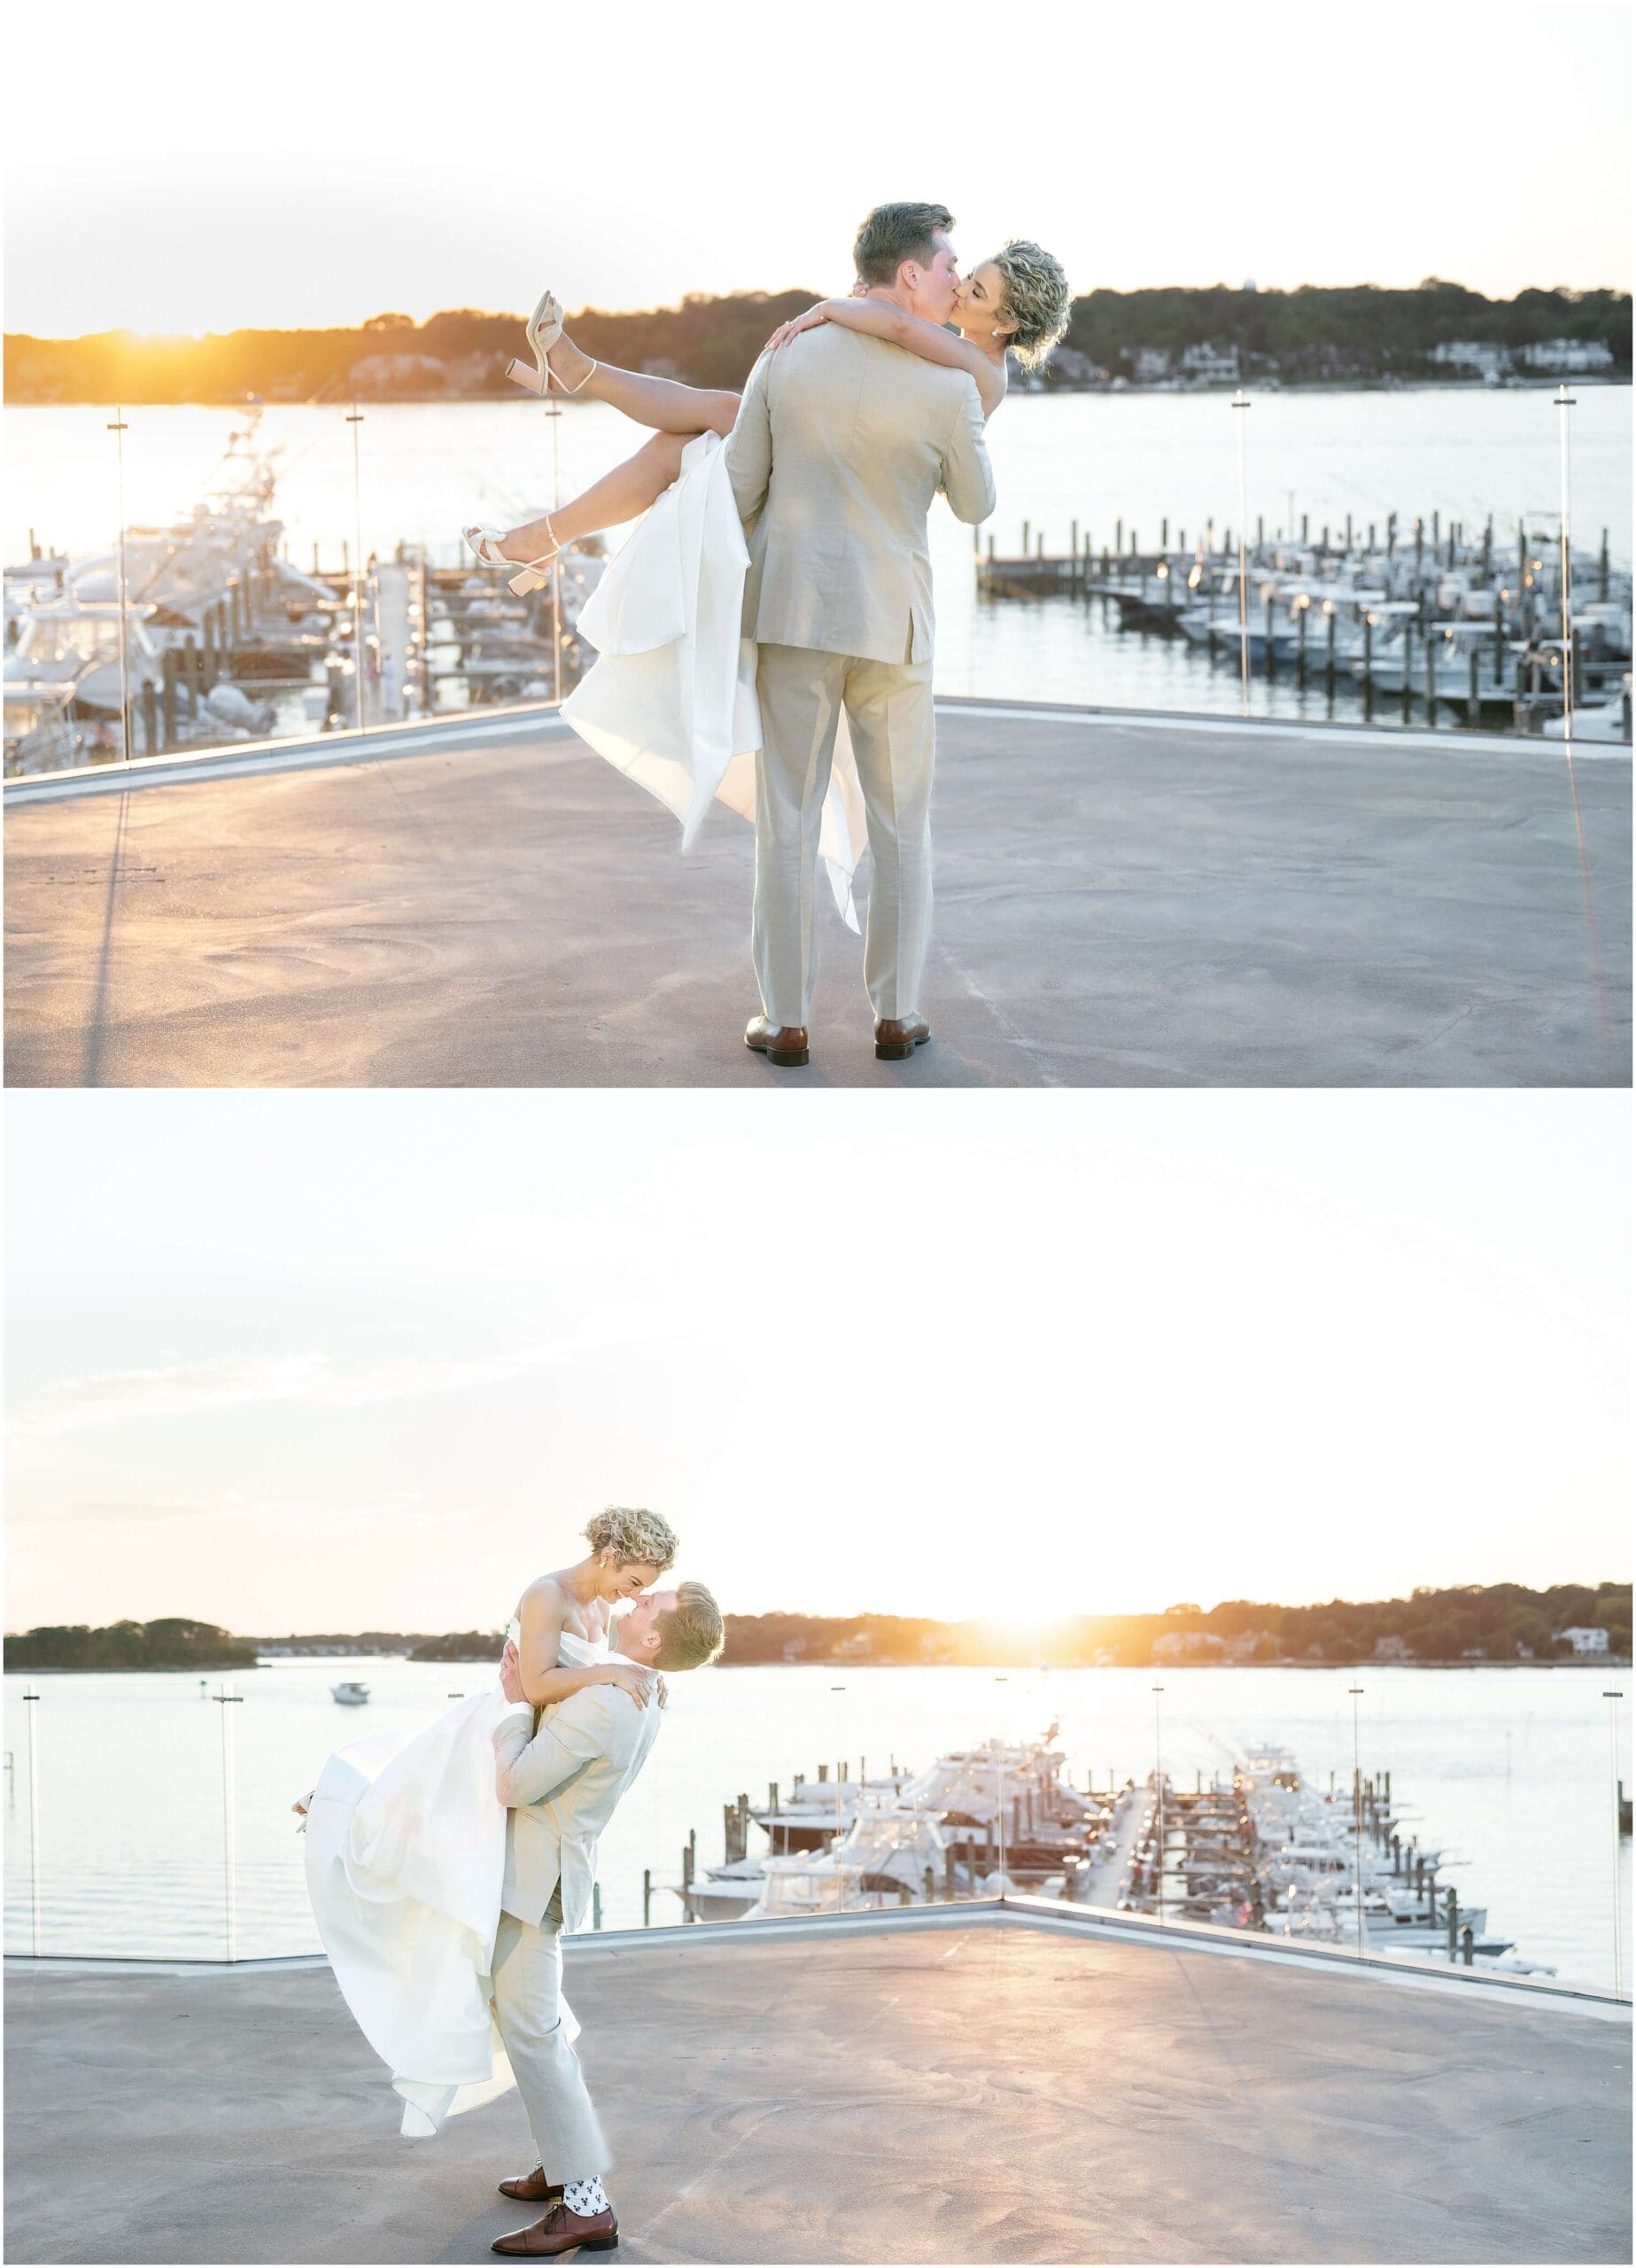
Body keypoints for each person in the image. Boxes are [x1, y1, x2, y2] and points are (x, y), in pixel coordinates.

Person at [462, 216, 1069, 1062]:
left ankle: (784, 1022)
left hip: (793, 614)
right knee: (901, 828)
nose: (960, 279)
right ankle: (895, 1014)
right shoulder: (958, 387)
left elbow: (740, 481)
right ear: (908, 273)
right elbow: (973, 507)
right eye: (954, 267)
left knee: (786, 819)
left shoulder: (793, 351)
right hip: (894, 625)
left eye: (973, 280)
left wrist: (711, 537)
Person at [299, 1508, 679, 2138]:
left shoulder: (601, 1610)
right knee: (415, 1831)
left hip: (530, 1741)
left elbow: (588, 1691)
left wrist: (641, 1675)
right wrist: (613, 1671)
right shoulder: (545, 1594)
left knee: (463, 1877)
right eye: (633, 1580)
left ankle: (560, 2150)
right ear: (610, 1555)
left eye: (642, 1589)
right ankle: (330, 1808)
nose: (633, 1595)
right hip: (501, 1728)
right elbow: (533, 1683)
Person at [487, 1579, 725, 2260]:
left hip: (536, 1881)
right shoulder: (637, 1689)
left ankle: (585, 2204)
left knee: (533, 2035)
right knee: (532, 2025)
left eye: (653, 1604)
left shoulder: (604, 1701)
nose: (638, 1600)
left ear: (652, 1639)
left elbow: (514, 1783)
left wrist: (512, 1708)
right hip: (545, 1873)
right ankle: (563, 2162)